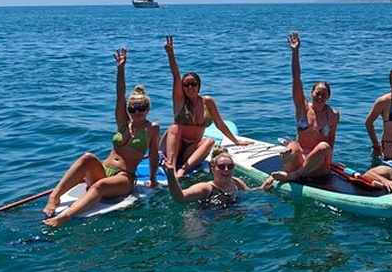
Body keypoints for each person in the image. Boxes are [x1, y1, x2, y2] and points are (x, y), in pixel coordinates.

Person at [42, 49, 160, 227]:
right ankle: (54, 197)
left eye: (141, 108)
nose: (137, 112)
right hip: (103, 170)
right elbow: (120, 96)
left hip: (124, 177)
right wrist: (121, 69)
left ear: (148, 109)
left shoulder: (152, 128)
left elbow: (153, 155)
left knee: (100, 187)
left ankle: (64, 217)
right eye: (133, 109)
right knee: (87, 157)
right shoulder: (123, 123)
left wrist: (153, 179)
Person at [162, 35, 250, 178]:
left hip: (191, 149)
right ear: (182, 87)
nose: (190, 87)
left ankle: (183, 170)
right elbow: (175, 76)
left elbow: (220, 124)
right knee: (174, 128)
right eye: (186, 85)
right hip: (174, 147)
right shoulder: (179, 100)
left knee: (210, 141)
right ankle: (171, 167)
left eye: (193, 84)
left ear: (199, 85)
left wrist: (236, 141)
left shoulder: (207, 101)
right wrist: (170, 54)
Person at [264, 32, 339, 187]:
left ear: (328, 97)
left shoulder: (333, 115)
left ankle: (293, 176)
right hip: (299, 159)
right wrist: (295, 52)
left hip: (318, 166)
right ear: (311, 93)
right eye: (318, 93)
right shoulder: (302, 107)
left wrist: (329, 163)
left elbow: (331, 140)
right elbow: (296, 78)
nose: (320, 96)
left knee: (324, 147)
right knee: (291, 147)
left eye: (324, 94)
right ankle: (291, 170)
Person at [165, 146, 250, 209]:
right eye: (221, 167)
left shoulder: (236, 182)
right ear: (212, 168)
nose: (226, 170)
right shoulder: (206, 188)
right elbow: (180, 197)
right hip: (204, 219)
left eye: (230, 166)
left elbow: (254, 193)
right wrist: (171, 175)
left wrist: (263, 185)